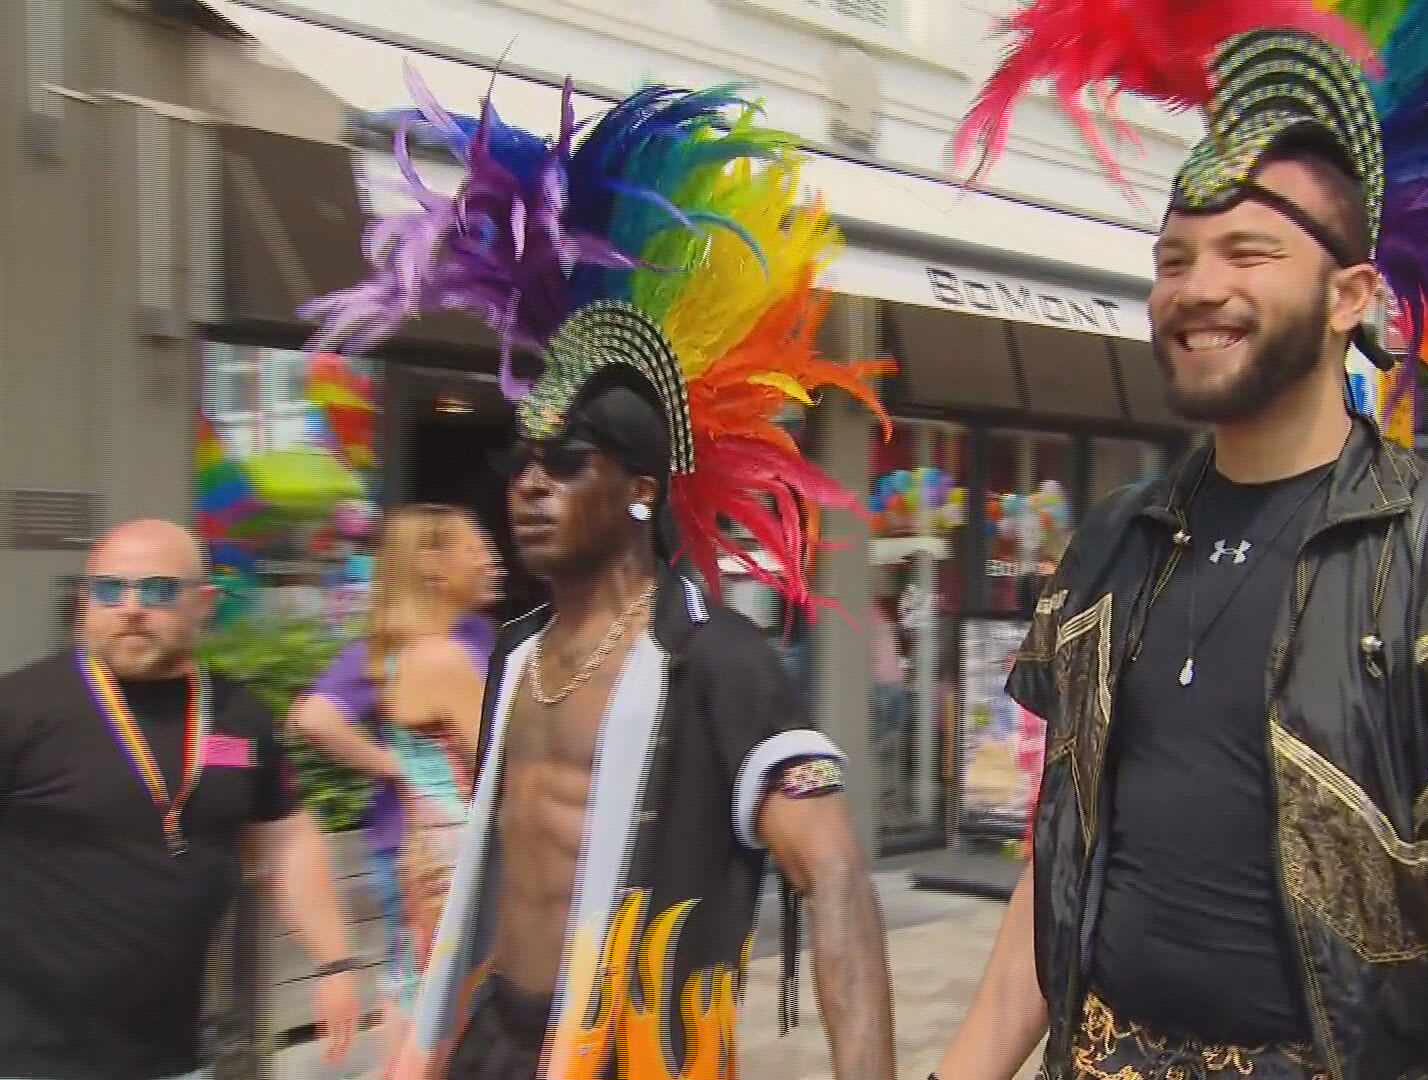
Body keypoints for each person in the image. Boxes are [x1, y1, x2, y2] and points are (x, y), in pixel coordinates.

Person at [930, 5, 1428, 1076]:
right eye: (1173, 258)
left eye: (1247, 251)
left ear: (1348, 296)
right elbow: (1050, 896)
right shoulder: (1109, 551)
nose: (1197, 289)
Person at [305, 79, 897, 1080]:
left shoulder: (717, 661)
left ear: (638, 489)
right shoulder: (517, 657)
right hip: (491, 1047)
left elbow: (834, 874)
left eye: (566, 461)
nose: (529, 484)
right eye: (522, 463)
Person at [0, 519, 367, 1079]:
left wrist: (337, 961)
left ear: (205, 601)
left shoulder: (240, 713)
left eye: (158, 589)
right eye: (108, 589)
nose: (130, 607)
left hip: (174, 1050)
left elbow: (287, 837)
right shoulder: (23, 706)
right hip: (33, 1052)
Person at [291, 504, 503, 1019]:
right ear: (430, 562)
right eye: (476, 548)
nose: (492, 560)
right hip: (436, 848)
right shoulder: (404, 648)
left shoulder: (480, 634)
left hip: (451, 843)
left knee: (431, 989)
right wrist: (398, 764)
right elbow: (315, 717)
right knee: (435, 994)